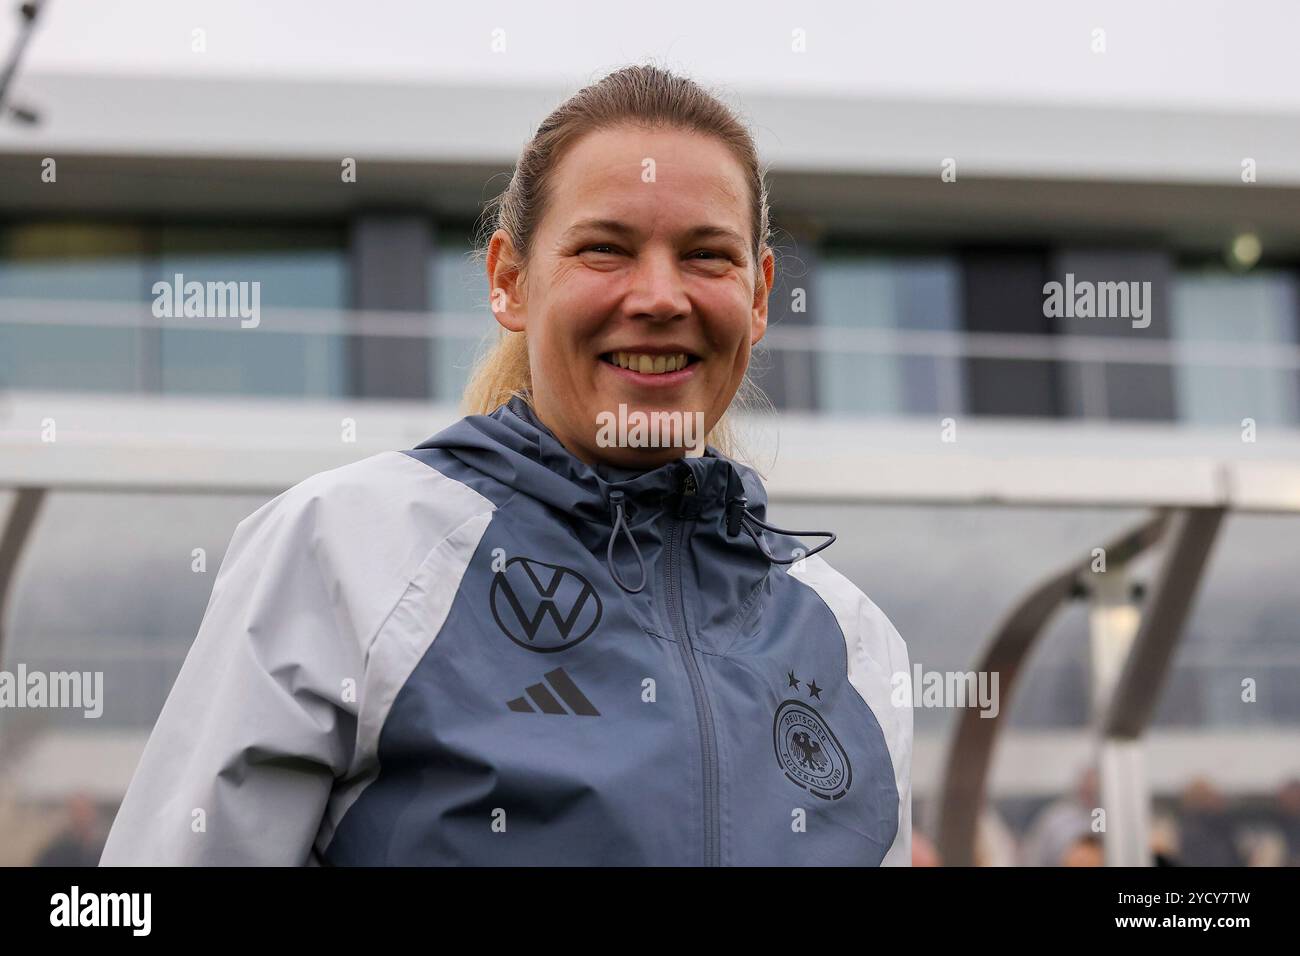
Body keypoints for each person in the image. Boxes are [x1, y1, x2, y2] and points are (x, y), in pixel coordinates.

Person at [100, 64, 912, 866]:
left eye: (707, 256)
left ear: (761, 295)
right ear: (510, 281)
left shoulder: (858, 643)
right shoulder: (345, 550)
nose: (662, 296)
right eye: (605, 249)